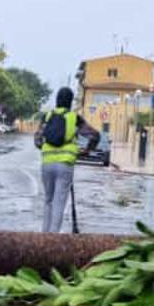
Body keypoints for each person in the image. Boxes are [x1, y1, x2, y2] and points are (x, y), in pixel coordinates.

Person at [35, 86, 98, 233]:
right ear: (70, 101)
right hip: (65, 164)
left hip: (47, 163)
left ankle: (44, 235)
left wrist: (48, 147)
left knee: (48, 200)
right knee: (59, 202)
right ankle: (53, 238)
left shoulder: (47, 116)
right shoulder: (74, 118)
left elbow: (37, 141)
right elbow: (95, 136)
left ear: (57, 100)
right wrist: (85, 151)